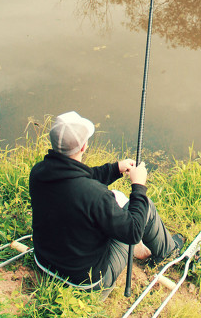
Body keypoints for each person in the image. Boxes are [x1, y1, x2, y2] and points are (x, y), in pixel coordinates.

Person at [29, 111, 182, 297]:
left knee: (116, 198)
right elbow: (133, 232)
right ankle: (168, 252)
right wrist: (138, 186)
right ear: (84, 146)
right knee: (145, 206)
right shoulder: (95, 195)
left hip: (45, 265)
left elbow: (78, 178)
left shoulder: (38, 173)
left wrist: (115, 169)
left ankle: (148, 249)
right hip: (87, 283)